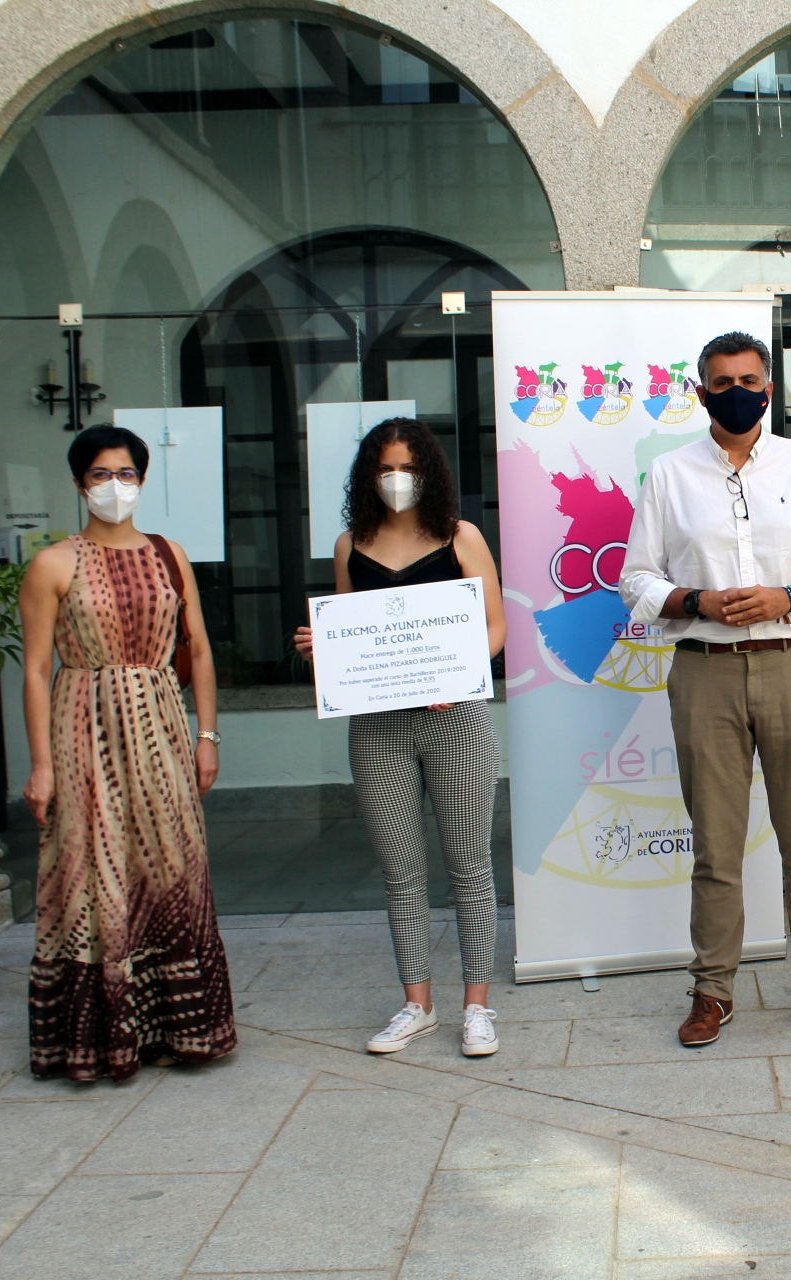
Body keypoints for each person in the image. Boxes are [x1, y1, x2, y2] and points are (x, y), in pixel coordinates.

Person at [619, 331, 791, 1048]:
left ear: (768, 386)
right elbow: (636, 580)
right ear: (700, 391)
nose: (737, 390)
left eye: (749, 378)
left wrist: (786, 595)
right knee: (716, 845)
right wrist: (694, 601)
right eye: (721, 380)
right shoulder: (669, 475)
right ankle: (712, 992)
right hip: (705, 671)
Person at [18, 424, 234, 1081]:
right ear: (80, 482)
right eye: (100, 474)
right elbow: (32, 670)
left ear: (142, 478)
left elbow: (196, 647)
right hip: (83, 726)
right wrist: (42, 764)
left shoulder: (170, 553)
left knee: (173, 865)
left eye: (125, 473)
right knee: (90, 867)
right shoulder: (53, 563)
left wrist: (207, 734)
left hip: (163, 725)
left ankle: (180, 1027)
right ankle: (100, 1036)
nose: (115, 486)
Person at [292, 418, 507, 1058]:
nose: (396, 480)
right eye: (384, 468)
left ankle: (476, 1008)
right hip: (377, 724)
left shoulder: (459, 536)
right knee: (399, 871)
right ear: (368, 474)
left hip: (456, 718)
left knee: (469, 864)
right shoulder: (349, 543)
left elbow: (496, 626)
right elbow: (347, 632)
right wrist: (319, 648)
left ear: (429, 472)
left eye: (408, 469)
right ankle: (416, 1005)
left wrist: (461, 672)